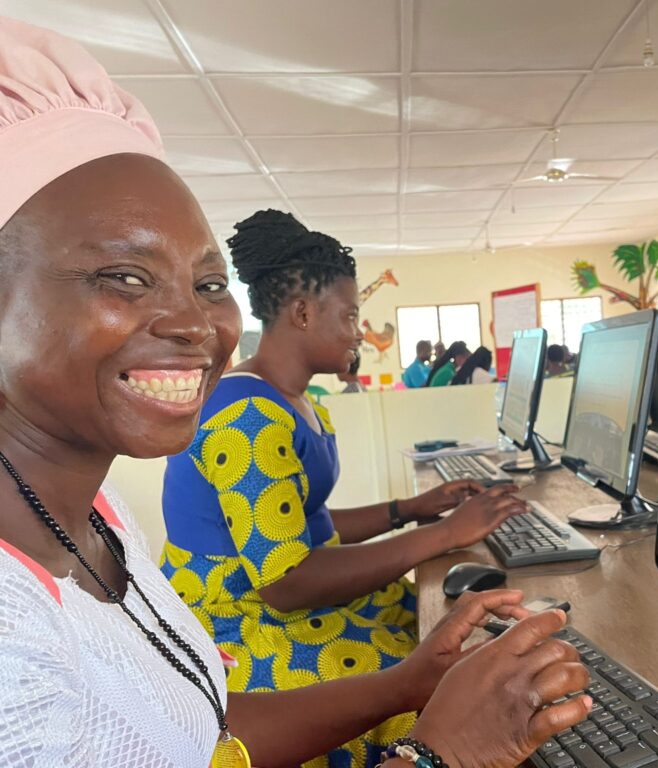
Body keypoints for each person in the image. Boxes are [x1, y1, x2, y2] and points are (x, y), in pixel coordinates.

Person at [0, 17, 590, 767]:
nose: (192, 321)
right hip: (262, 624)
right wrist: (437, 752)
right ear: (305, 311)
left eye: (208, 284)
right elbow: (283, 583)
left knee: (423, 633)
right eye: (123, 276)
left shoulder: (99, 525)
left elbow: (198, 725)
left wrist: (410, 679)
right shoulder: (13, 654)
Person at [160, 209, 533, 766]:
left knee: (437, 623)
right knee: (437, 689)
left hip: (268, 597)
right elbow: (286, 580)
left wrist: (410, 509)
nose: (359, 332)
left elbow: (310, 523)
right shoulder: (248, 417)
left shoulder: (290, 400)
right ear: (304, 312)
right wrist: (444, 536)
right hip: (236, 625)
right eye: (352, 315)